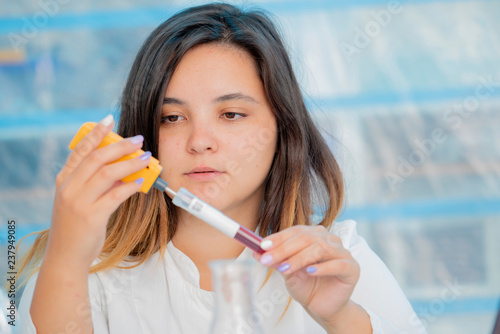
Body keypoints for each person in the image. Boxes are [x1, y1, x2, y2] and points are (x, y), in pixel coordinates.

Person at [16, 3, 427, 333]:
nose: (200, 141)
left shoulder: (337, 261)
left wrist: (341, 319)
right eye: (172, 118)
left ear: (283, 127)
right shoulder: (90, 273)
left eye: (231, 114)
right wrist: (68, 254)